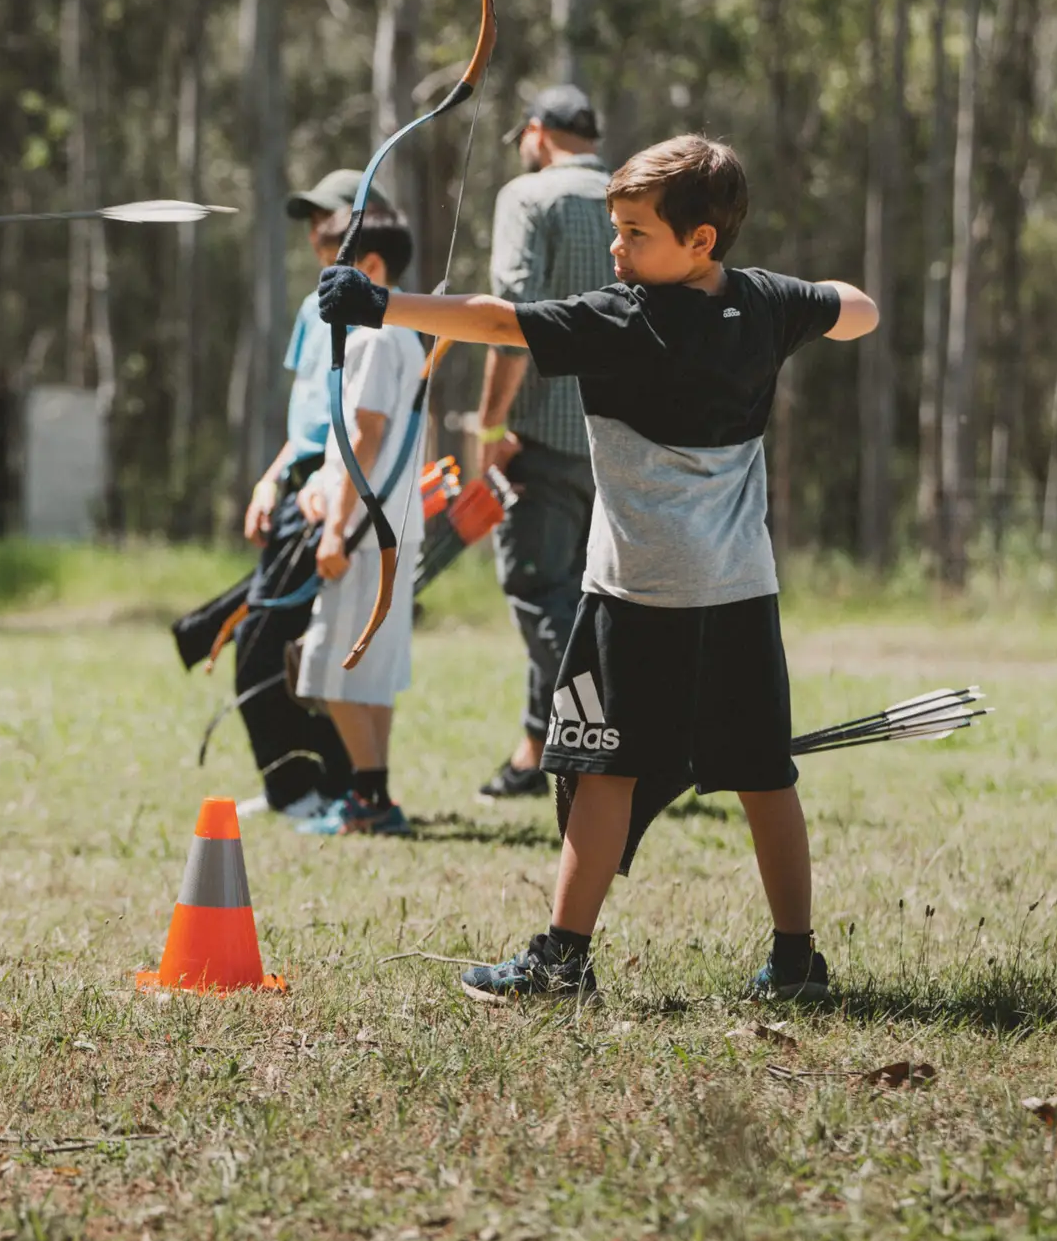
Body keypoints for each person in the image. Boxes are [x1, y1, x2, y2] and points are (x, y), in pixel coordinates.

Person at [315, 134, 880, 998]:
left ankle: (562, 960)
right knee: (764, 774)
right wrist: (809, 303)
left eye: (636, 233)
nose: (617, 248)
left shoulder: (623, 319)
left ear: (700, 240)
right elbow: (858, 307)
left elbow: (496, 321)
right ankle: (797, 960)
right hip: (740, 590)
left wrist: (381, 304)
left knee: (599, 768)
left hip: (637, 596)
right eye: (617, 229)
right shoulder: (765, 302)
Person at [228, 170, 394, 821]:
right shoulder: (310, 310)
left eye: (331, 227)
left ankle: (313, 789)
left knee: (274, 647)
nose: (317, 240)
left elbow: (362, 426)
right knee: (290, 647)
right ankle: (309, 785)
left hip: (334, 498)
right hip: (300, 492)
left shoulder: (383, 317)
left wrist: (333, 491)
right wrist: (270, 479)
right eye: (314, 229)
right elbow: (306, 423)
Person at [475, 86, 614, 801]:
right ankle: (536, 753)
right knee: (584, 599)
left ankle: (621, 733)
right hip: (623, 441)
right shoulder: (630, 198)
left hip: (544, 437)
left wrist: (490, 427)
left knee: (538, 594)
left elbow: (511, 322)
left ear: (537, 132)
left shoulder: (528, 197)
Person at [292, 204, 424, 838]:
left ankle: (369, 798)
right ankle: (373, 794)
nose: (325, 283)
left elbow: (364, 437)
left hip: (365, 536)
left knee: (333, 664)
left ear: (370, 266)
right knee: (369, 669)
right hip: (391, 529)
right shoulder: (405, 333)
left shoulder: (372, 337)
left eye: (335, 268)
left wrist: (335, 529)